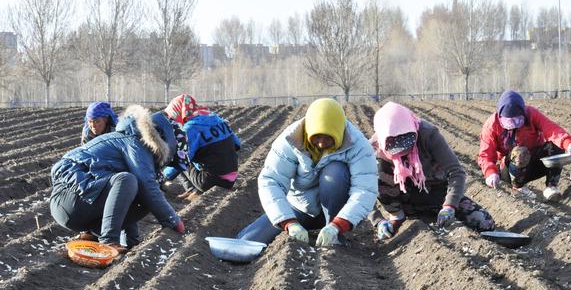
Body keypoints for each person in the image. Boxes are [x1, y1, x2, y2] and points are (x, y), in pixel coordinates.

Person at [237, 98, 378, 247]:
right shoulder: (290, 139)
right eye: (317, 137)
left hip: (336, 210)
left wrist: (339, 224)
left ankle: (335, 235)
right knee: (247, 241)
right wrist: (289, 222)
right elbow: (271, 181)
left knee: (334, 172)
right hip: (299, 208)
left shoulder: (356, 144)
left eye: (328, 138)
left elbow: (365, 189)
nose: (322, 143)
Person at [50, 105, 185, 253]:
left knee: (141, 193)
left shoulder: (131, 142)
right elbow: (146, 185)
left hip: (77, 203)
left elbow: (125, 197)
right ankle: (108, 241)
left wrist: (131, 242)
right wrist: (173, 221)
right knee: (128, 181)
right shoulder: (134, 143)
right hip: (68, 199)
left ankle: (96, 233)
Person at [368, 102, 495, 239]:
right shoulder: (373, 148)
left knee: (485, 223)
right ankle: (398, 216)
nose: (404, 152)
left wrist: (449, 206)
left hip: (436, 192)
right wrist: (378, 220)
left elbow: (456, 171)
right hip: (403, 198)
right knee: (379, 168)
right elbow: (362, 189)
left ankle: (433, 211)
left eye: (407, 145)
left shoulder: (428, 134)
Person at [478, 90, 571, 201]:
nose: (513, 126)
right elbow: (485, 154)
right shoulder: (491, 126)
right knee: (519, 152)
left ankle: (552, 186)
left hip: (534, 162)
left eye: (517, 120)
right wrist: (490, 173)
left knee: (556, 145)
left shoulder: (531, 114)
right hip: (510, 169)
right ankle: (518, 187)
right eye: (509, 122)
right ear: (500, 116)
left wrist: (567, 143)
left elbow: (551, 129)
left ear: (523, 114)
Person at [163, 94, 241, 201]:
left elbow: (182, 159)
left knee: (179, 158)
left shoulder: (190, 128)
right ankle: (193, 190)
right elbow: (237, 144)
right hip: (231, 178)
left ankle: (194, 191)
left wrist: (163, 177)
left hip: (210, 181)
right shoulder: (216, 118)